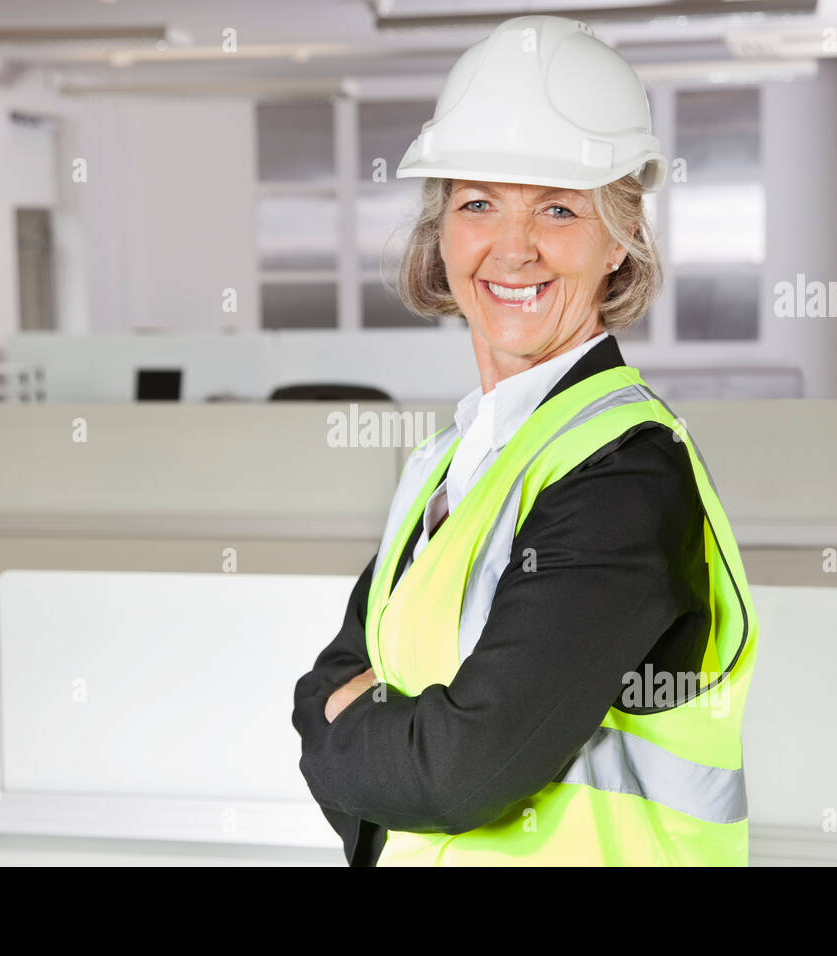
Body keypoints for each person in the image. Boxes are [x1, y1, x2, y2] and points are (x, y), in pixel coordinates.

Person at [291, 13, 758, 866]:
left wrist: (356, 738)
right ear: (443, 233)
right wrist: (375, 737)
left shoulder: (625, 475)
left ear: (619, 241)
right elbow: (325, 680)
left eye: (556, 207)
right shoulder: (454, 458)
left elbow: (465, 771)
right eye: (478, 204)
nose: (513, 249)